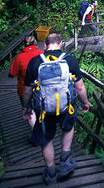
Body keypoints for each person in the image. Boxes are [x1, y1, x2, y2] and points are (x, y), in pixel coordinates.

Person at [22, 34, 91, 185]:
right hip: (66, 107)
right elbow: (79, 87)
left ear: (45, 46)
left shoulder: (35, 62)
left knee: (46, 139)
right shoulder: (70, 59)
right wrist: (85, 102)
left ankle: (51, 172)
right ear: (60, 44)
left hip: (44, 110)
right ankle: (65, 162)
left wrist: (26, 107)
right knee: (68, 127)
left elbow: (27, 90)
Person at [9, 35, 43, 129]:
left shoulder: (19, 57)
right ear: (35, 42)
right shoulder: (42, 53)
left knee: (28, 108)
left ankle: (34, 130)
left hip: (24, 87)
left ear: (24, 44)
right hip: (41, 85)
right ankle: (43, 125)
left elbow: (13, 73)